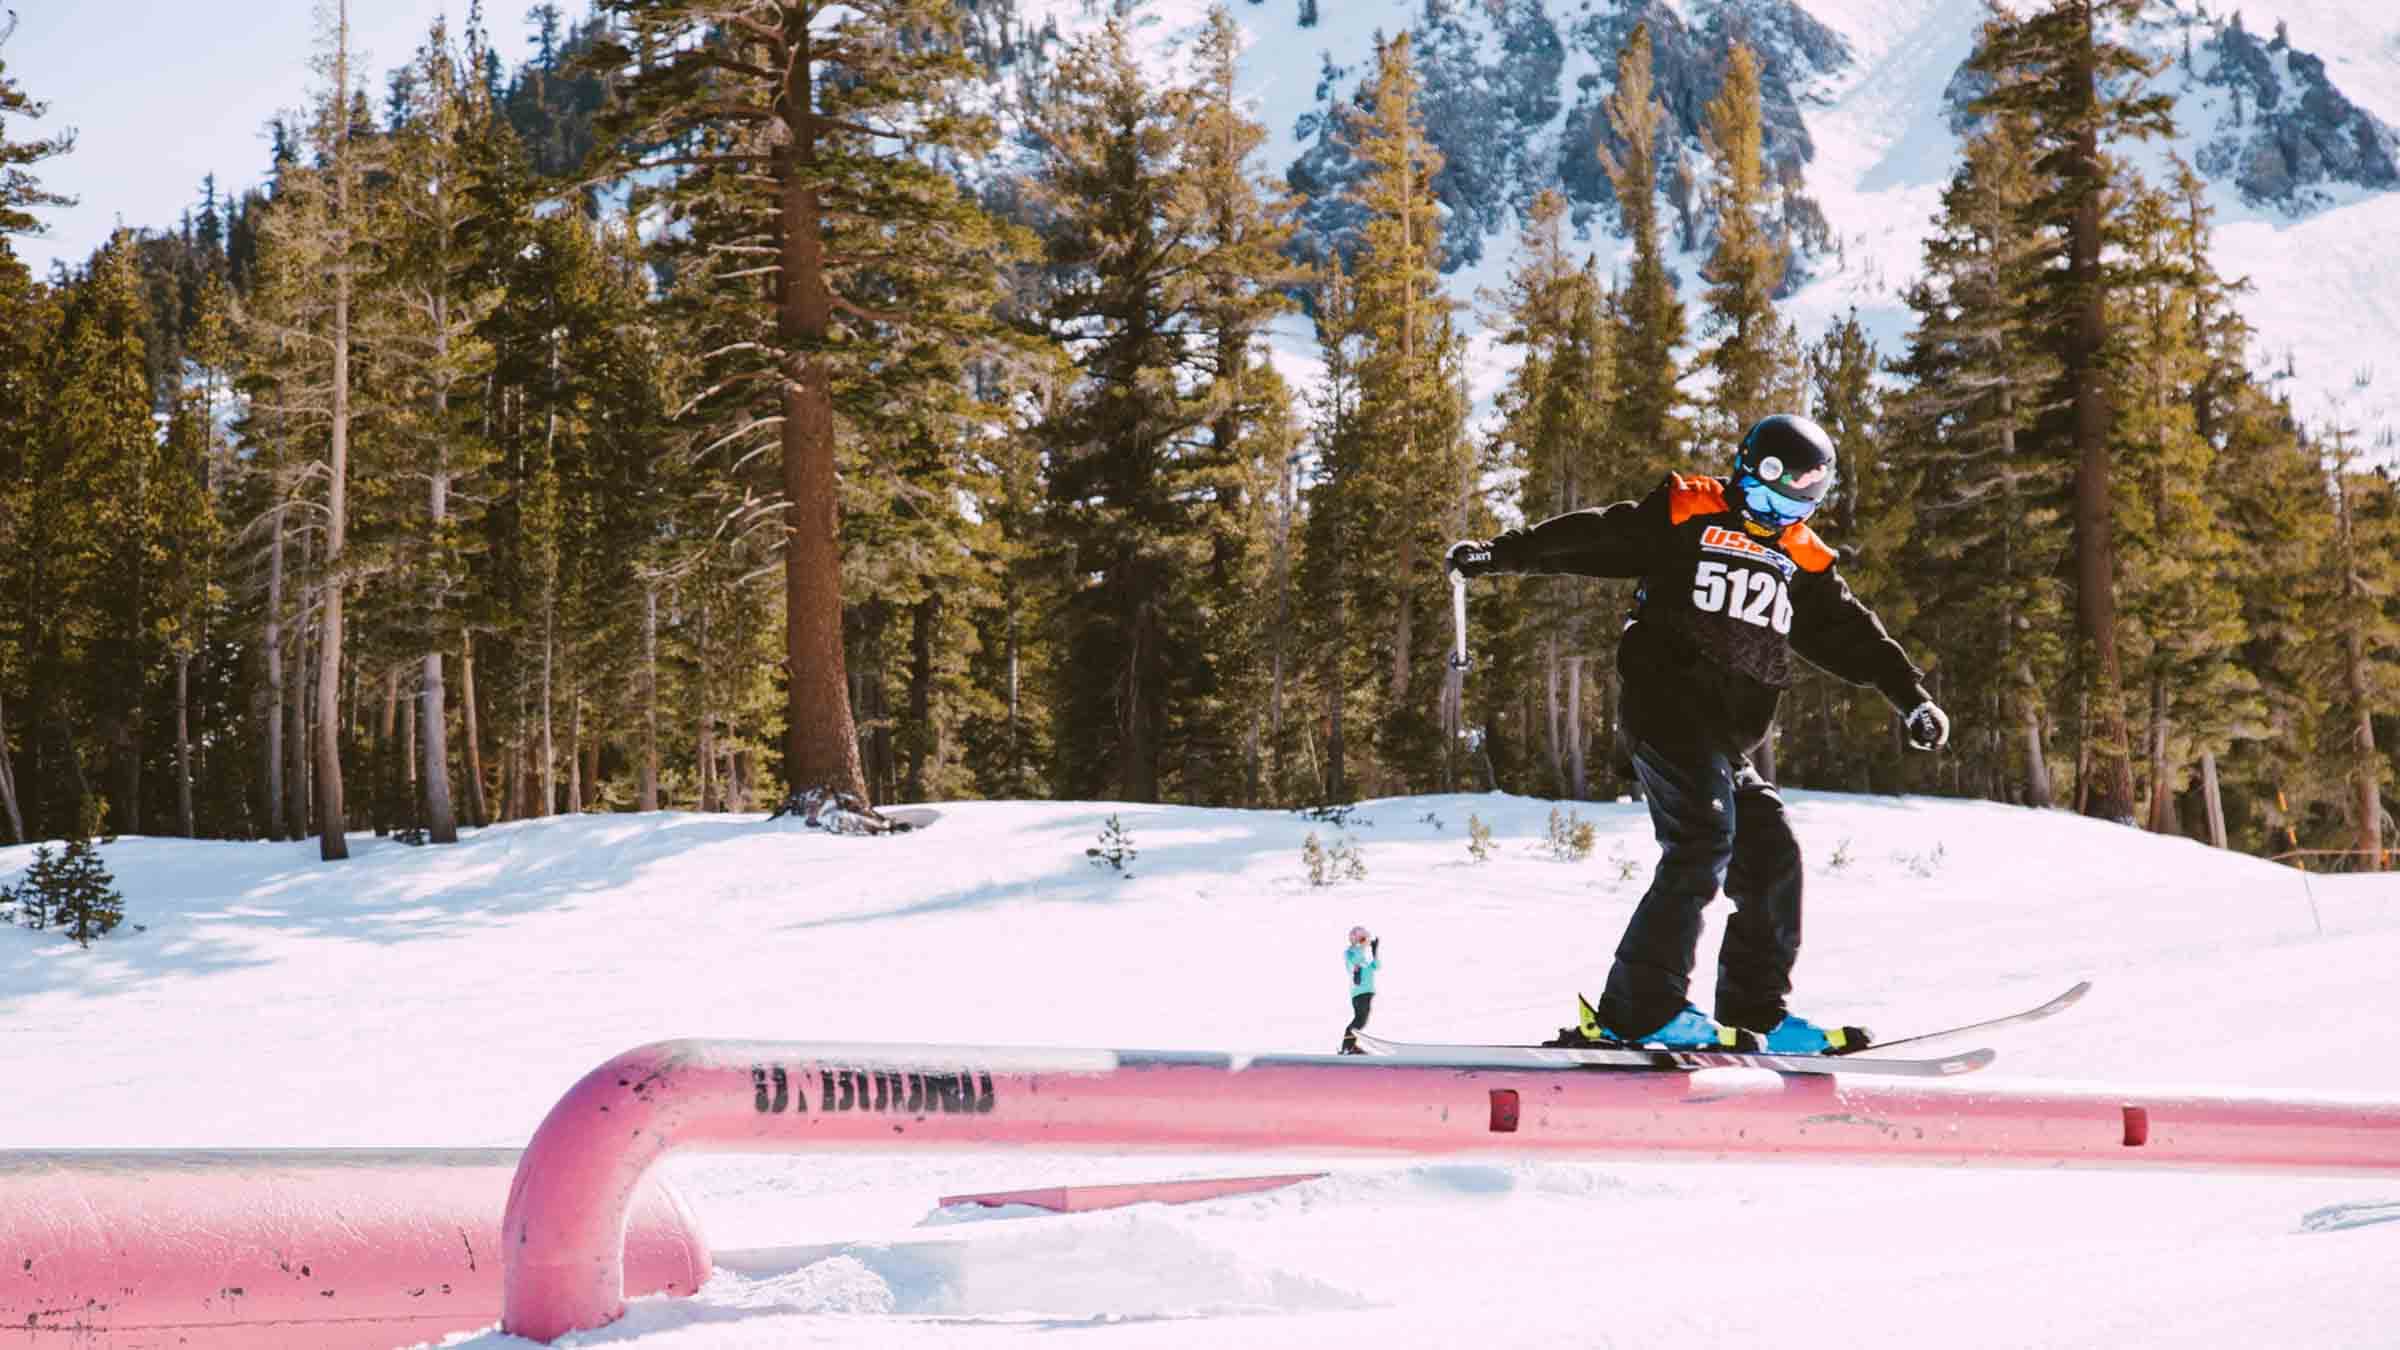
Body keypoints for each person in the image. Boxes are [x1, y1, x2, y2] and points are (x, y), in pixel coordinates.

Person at [1445, 414, 1949, 1054]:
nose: (1776, 515)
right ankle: (1638, 1009)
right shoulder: (1689, 512)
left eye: (1799, 502)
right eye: (1769, 495)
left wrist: (1911, 698)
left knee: (1770, 854)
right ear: (1746, 470)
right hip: (1664, 710)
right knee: (1703, 838)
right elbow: (1599, 536)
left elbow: (1854, 635)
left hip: (1722, 737)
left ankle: (1757, 1014)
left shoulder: (1800, 557)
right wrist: (1501, 552)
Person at [1339, 925, 1381, 1054]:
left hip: (1367, 991)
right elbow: (1353, 963)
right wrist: (1362, 947)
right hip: (1359, 993)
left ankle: (1351, 1046)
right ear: (1355, 940)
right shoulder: (1351, 952)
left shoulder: (1363, 957)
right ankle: (1347, 1046)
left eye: (1366, 939)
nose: (1365, 942)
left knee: (1362, 1020)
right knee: (1359, 1019)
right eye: (1362, 939)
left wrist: (1374, 951)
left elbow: (1376, 966)